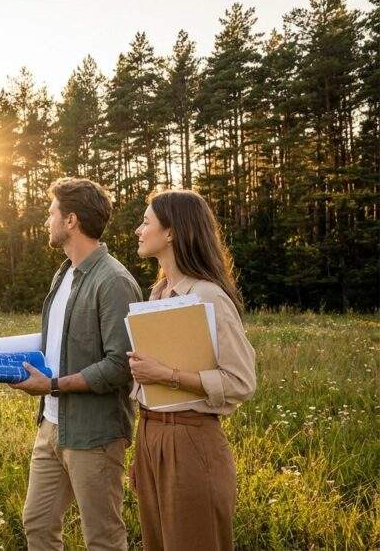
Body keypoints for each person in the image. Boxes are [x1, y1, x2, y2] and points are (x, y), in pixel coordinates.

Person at [10, 177, 142, 551]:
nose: (46, 221)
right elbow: (57, 345)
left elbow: (120, 366)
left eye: (51, 213)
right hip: (51, 425)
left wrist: (51, 385)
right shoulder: (63, 274)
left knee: (101, 537)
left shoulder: (114, 281)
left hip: (95, 434)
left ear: (71, 221)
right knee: (37, 524)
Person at [128, 189, 257, 551]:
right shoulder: (158, 293)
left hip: (190, 440)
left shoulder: (207, 296)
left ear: (170, 233)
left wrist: (165, 374)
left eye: (146, 222)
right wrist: (145, 448)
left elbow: (241, 381)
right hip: (152, 434)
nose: (139, 229)